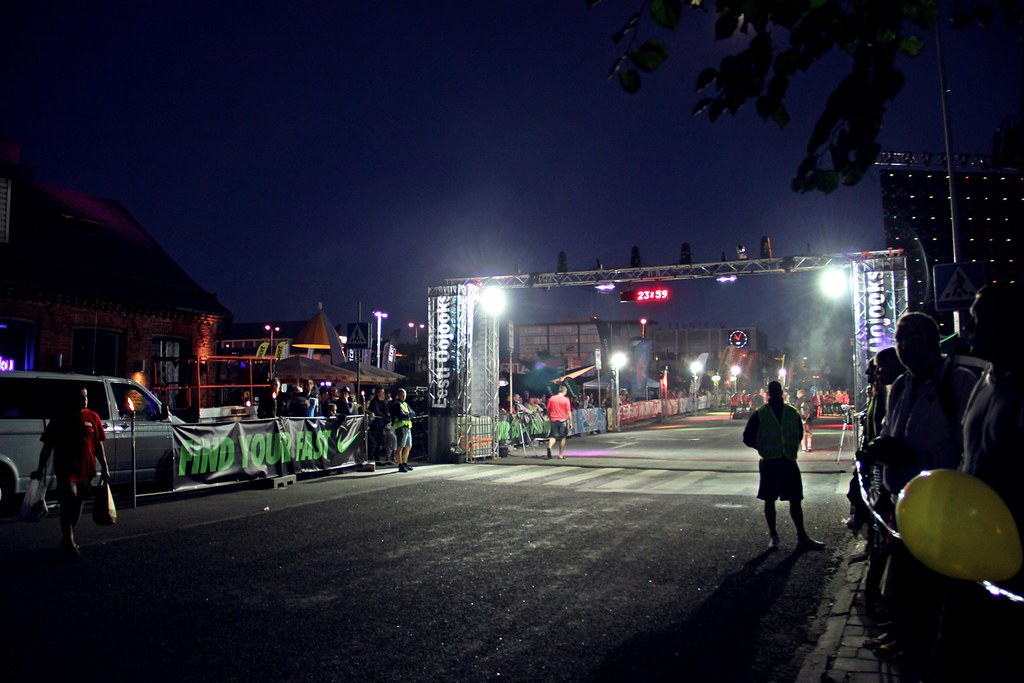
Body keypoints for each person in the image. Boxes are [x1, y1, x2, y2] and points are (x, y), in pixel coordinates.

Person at [868, 311, 976, 664]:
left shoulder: (957, 382)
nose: (904, 347)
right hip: (901, 500)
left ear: (932, 341)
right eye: (899, 339)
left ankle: (920, 643)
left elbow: (967, 447)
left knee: (930, 581)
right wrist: (880, 458)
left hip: (940, 505)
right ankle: (902, 632)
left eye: (913, 338)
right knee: (904, 574)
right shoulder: (901, 386)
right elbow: (889, 433)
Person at [932, 283, 1024, 682]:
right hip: (970, 542)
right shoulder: (984, 382)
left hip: (1015, 551)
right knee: (953, 653)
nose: (968, 324)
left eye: (978, 315)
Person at [742, 380, 825, 551]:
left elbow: (748, 438)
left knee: (776, 500)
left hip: (776, 461)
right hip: (783, 461)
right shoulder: (789, 412)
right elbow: (798, 433)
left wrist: (762, 447)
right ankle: (799, 536)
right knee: (790, 500)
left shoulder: (762, 413)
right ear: (781, 393)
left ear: (770, 393)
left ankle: (777, 536)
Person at [31, 385, 111, 559]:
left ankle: (68, 534)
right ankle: (70, 542)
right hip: (66, 469)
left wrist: (104, 467)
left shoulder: (93, 417)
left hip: (87, 469)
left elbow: (98, 445)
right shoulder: (60, 418)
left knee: (78, 505)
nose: (85, 399)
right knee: (68, 502)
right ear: (73, 398)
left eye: (86, 396)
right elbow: (48, 446)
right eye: (82, 396)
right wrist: (40, 468)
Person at [389, 388, 414, 472]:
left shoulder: (405, 404)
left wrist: (407, 414)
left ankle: (404, 463)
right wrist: (408, 414)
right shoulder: (397, 404)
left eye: (405, 395)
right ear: (398, 395)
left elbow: (413, 413)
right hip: (400, 427)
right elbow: (400, 415)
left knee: (408, 446)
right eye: (402, 395)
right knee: (400, 447)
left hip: (407, 427)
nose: (404, 397)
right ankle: (400, 465)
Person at [546, 384, 573, 459]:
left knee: (553, 436)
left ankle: (549, 447)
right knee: (563, 437)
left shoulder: (551, 398)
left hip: (553, 420)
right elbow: (569, 412)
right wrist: (571, 422)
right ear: (564, 391)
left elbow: (548, 410)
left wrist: (550, 417)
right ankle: (560, 454)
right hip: (563, 420)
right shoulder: (565, 399)